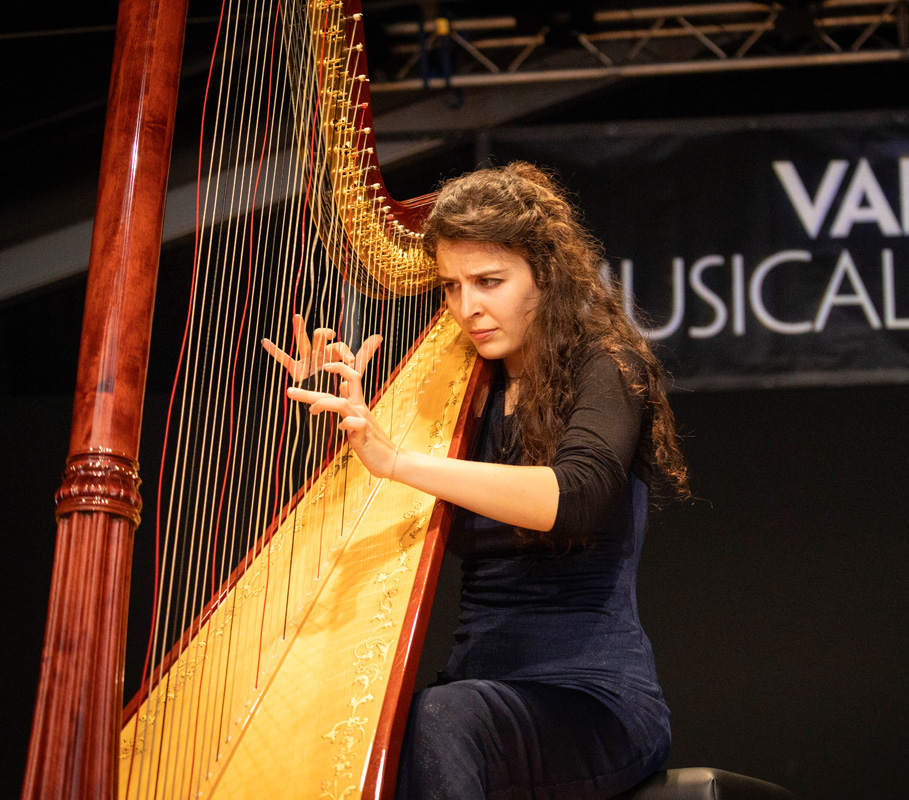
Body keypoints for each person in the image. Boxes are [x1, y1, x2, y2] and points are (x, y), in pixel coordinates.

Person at [268, 162, 688, 800]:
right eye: (451, 286)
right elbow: (366, 515)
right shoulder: (459, 392)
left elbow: (575, 498)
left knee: (440, 720)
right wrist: (334, 418)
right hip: (474, 695)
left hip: (592, 701)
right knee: (350, 743)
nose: (468, 308)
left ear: (545, 275)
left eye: (489, 281)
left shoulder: (606, 365)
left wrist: (397, 459)